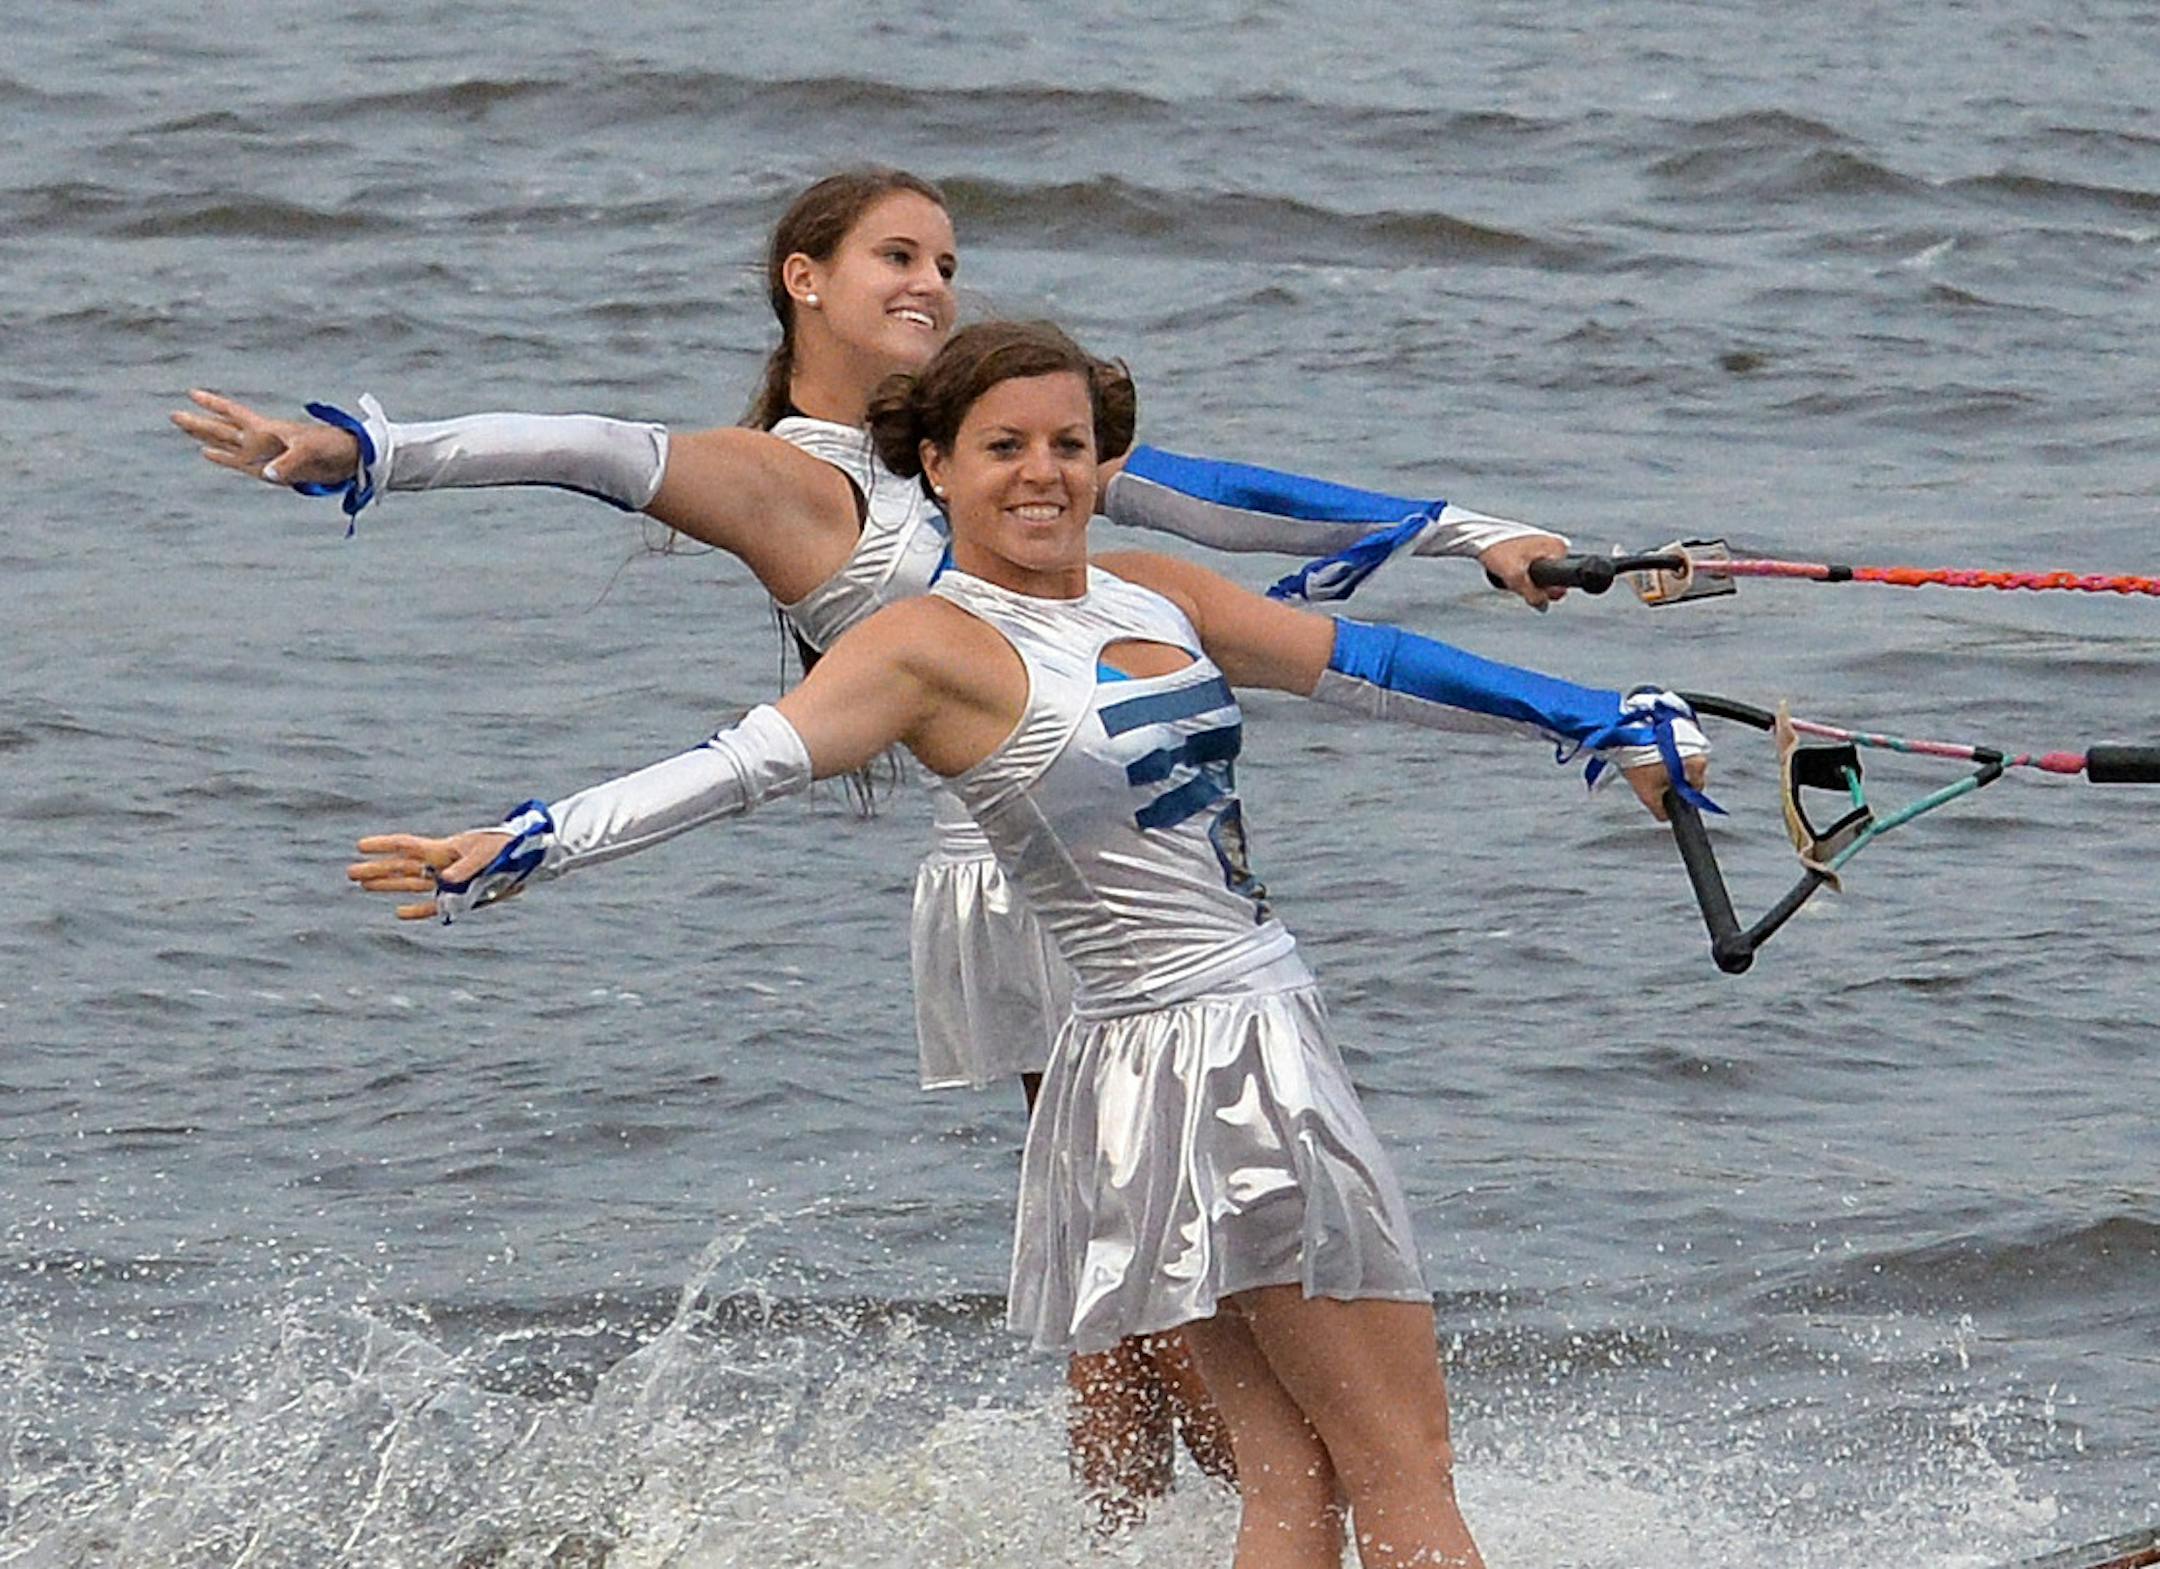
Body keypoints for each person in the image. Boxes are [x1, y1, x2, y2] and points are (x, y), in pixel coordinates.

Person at [169, 166, 1577, 1526]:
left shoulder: (984, 440)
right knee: (1148, 1267)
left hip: (1104, 822)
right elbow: (583, 451)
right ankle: (1147, 1517)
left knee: (1174, 1275)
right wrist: (379, 451)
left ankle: (1211, 1513)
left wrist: (1471, 530)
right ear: (804, 279)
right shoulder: (784, 480)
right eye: (899, 257)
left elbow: (1219, 500)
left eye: (950, 263)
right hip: (1029, 866)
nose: (933, 283)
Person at [345, 321, 1708, 1568]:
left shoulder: (1150, 589)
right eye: (1004, 448)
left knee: (1290, 1473)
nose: (1044, 474)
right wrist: (538, 837)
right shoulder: (927, 643)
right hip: (1215, 1065)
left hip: (1156, 1071)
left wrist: (1600, 715)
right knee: (1407, 1468)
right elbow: (744, 763)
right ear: (933, 466)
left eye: (1070, 446)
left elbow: (1375, 669)